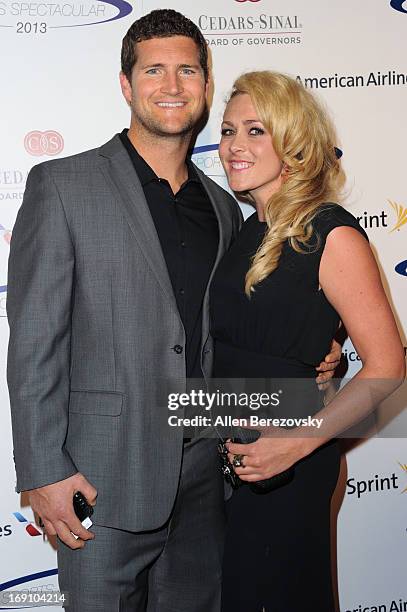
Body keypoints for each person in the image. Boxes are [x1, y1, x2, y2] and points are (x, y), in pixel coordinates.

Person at [6, 12, 341, 612]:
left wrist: (312, 357)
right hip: (101, 480)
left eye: (188, 70)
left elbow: (231, 329)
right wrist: (42, 470)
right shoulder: (62, 185)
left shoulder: (223, 206)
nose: (173, 85)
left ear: (206, 87)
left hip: (206, 482)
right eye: (154, 70)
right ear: (126, 85)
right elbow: (35, 341)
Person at [210, 71, 405, 612]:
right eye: (228, 131)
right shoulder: (247, 229)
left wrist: (295, 443)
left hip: (288, 466)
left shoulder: (332, 232)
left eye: (255, 131)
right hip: (234, 462)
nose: (234, 146)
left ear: (293, 143)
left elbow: (388, 364)